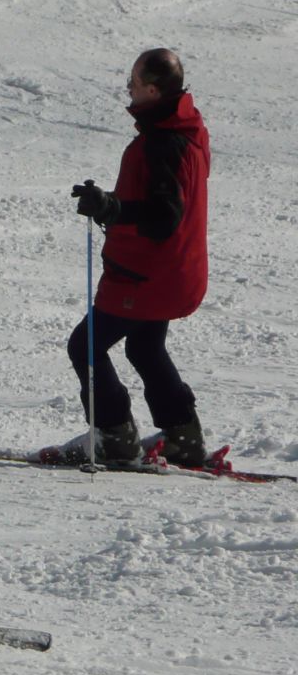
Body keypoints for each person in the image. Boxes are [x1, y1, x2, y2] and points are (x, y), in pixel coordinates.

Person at [68, 48, 210, 466]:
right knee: (145, 348)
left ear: (152, 90)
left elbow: (163, 217)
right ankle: (184, 437)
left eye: (133, 82)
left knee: (85, 346)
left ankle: (115, 438)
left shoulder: (163, 143)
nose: (127, 88)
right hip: (174, 272)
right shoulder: (187, 129)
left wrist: (113, 209)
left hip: (146, 276)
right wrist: (111, 206)